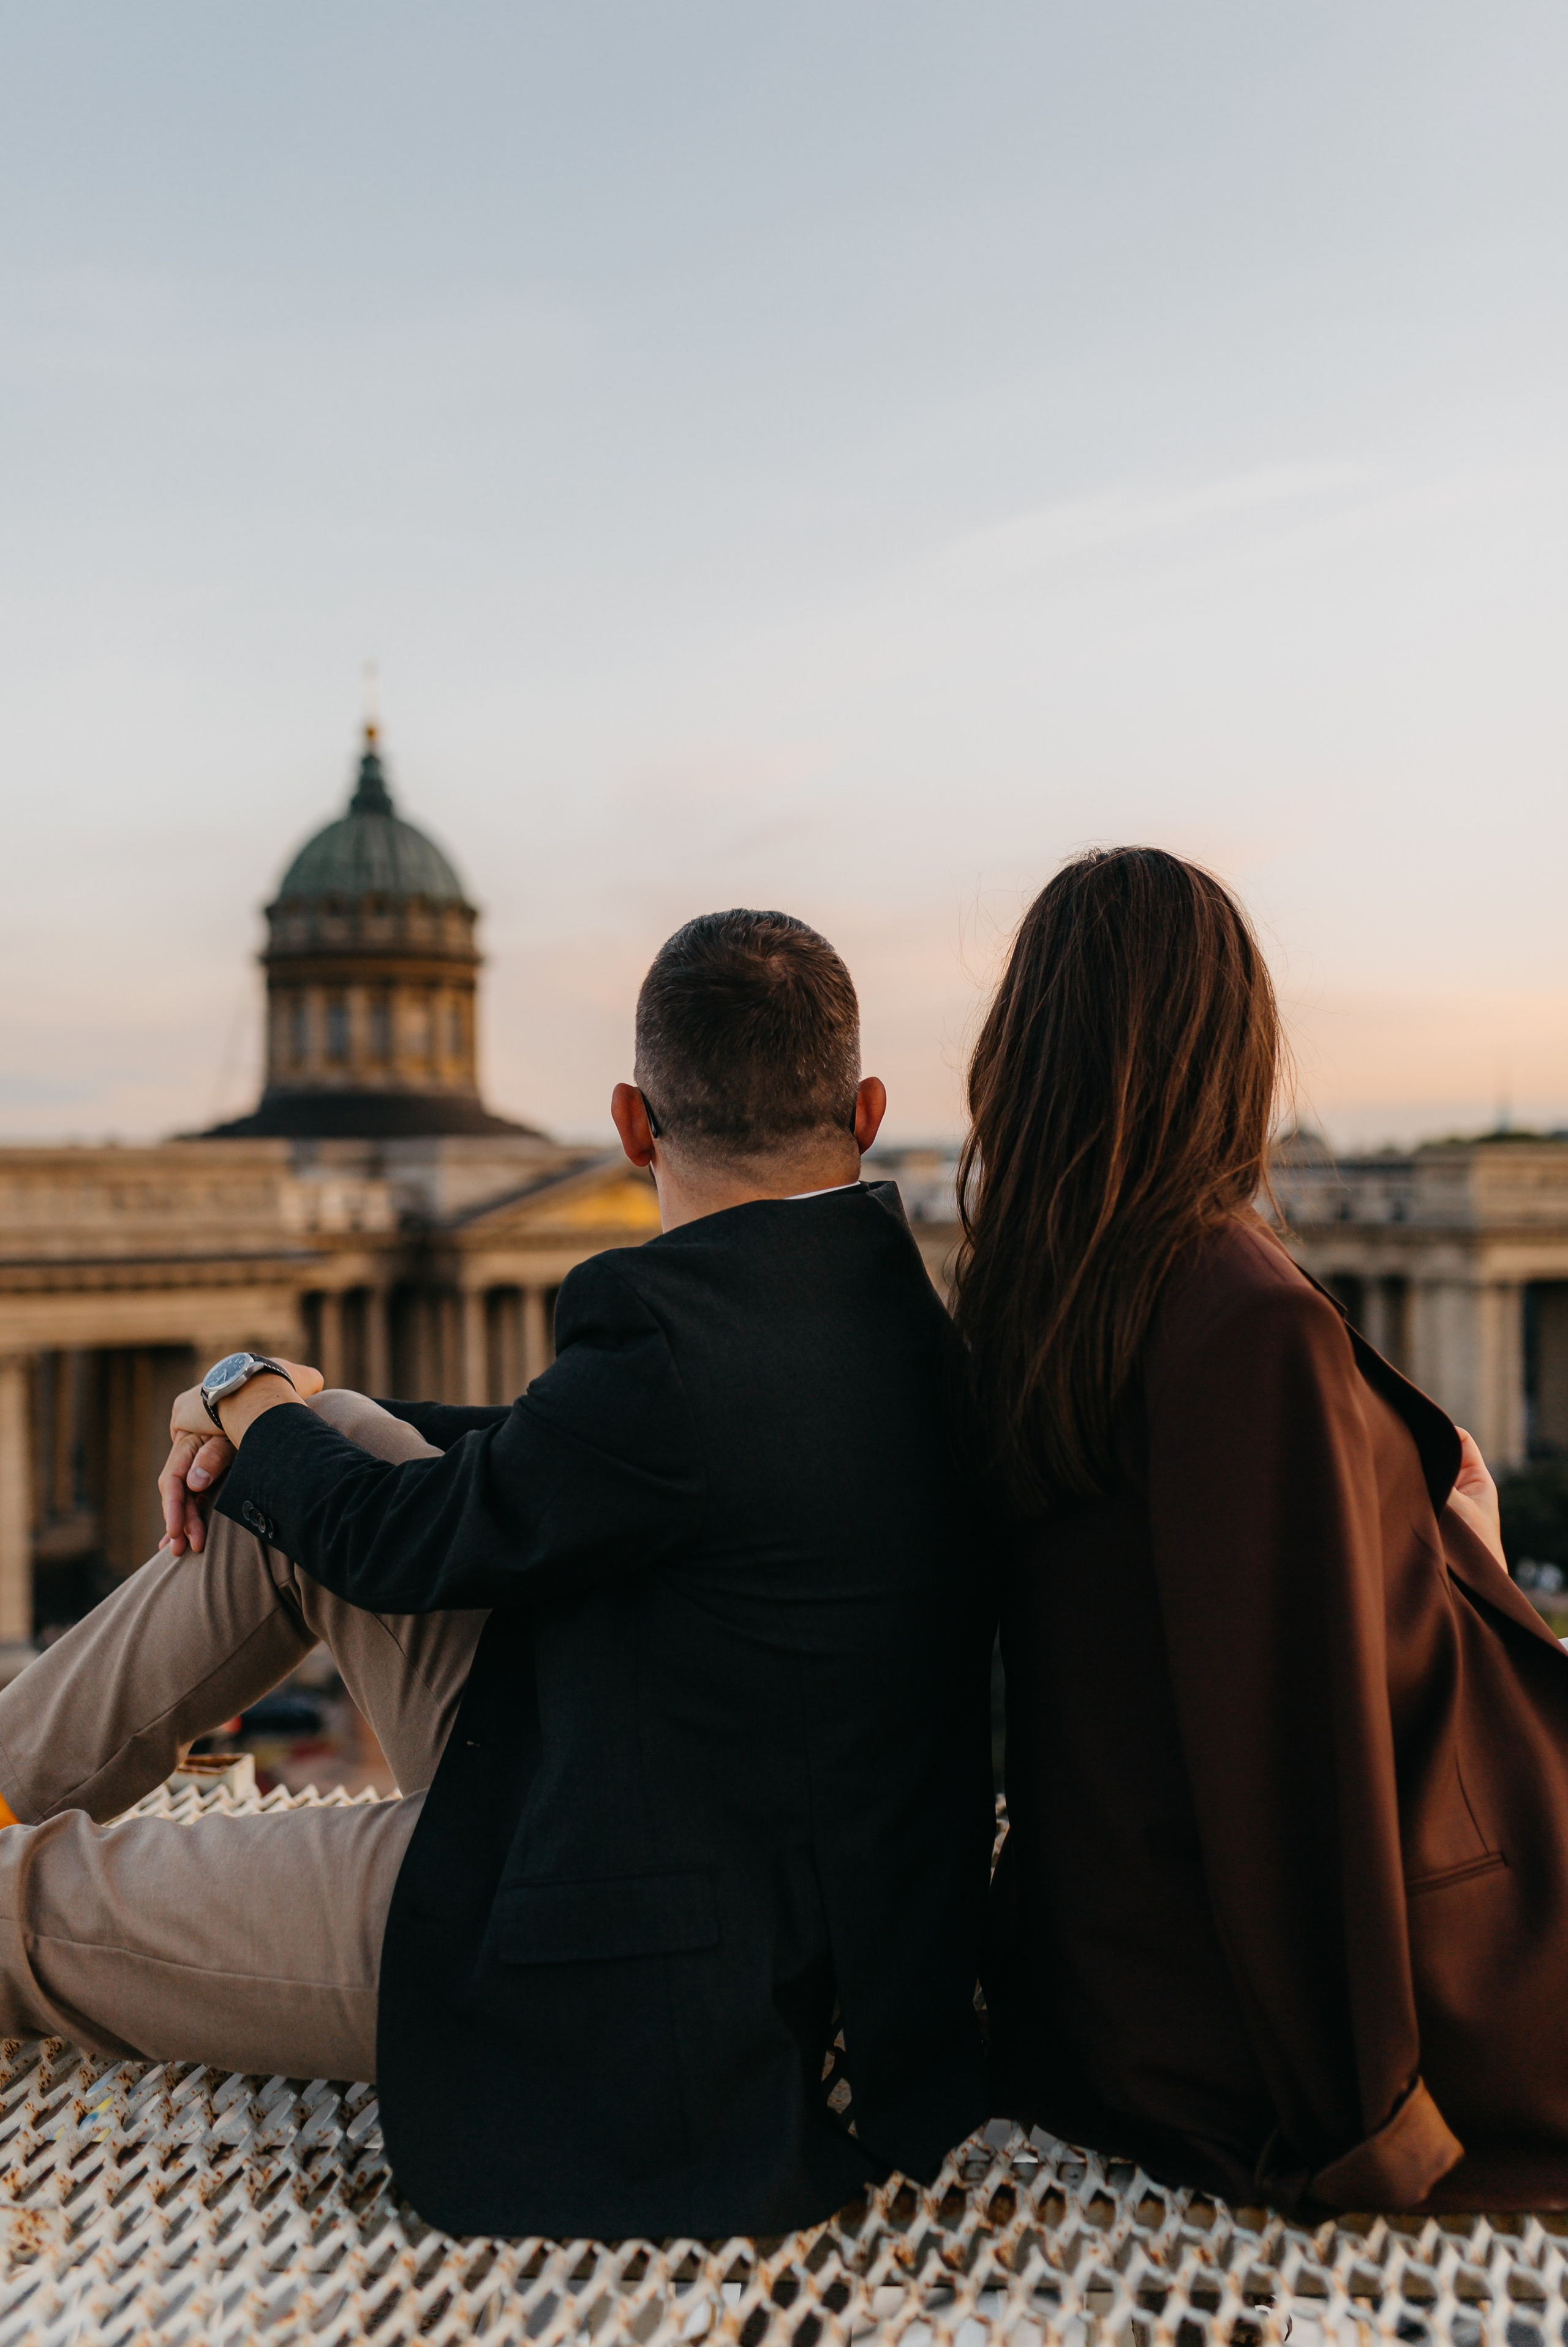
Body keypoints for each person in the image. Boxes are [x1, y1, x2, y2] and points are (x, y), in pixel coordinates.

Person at [0, 909, 993, 2241]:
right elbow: (544, 1464)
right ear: (864, 1111)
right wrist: (283, 1416)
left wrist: (241, 1394)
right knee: (325, 1439)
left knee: (30, 1911)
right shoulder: (879, 1306)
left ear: (632, 1124)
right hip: (713, 1853)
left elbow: (411, 1543)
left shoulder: (674, 1335)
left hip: (606, 1954)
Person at [961, 846, 1568, 2217]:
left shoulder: (1037, 1304)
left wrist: (1421, 1537)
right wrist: (1376, 2130)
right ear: (1226, 1052)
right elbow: (1299, 1765)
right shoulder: (1246, 1320)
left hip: (1109, 1997)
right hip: (1258, 2042)